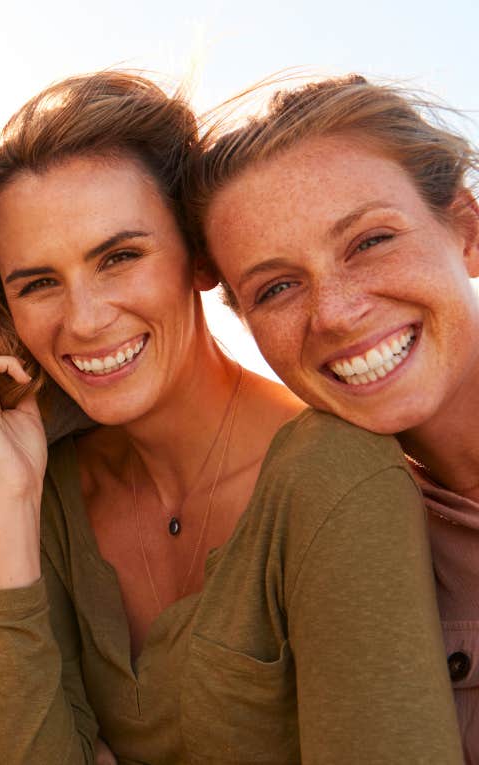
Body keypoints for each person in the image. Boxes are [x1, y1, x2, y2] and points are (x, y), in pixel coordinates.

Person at [0, 72, 461, 763]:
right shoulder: (54, 491)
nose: (86, 319)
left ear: (199, 263)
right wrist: (10, 507)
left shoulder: (334, 474)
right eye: (38, 283)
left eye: (120, 256)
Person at [189, 74, 479, 761]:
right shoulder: (335, 545)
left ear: (465, 232)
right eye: (278, 287)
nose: (336, 312)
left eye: (369, 241)